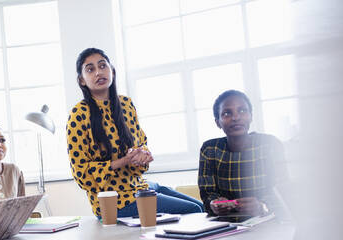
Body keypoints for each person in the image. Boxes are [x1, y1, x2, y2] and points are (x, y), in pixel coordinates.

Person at [67, 48, 203, 218]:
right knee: (194, 211)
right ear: (82, 80)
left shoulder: (126, 104)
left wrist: (142, 155)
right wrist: (122, 161)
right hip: (113, 200)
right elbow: (81, 173)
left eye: (103, 66)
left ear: (112, 71)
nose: (98, 72)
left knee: (201, 206)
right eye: (90, 69)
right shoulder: (78, 114)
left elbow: (140, 142)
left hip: (138, 185)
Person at [198, 89, 288, 216]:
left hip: (268, 221)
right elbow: (207, 194)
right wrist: (214, 204)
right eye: (227, 113)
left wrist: (262, 206)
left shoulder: (270, 144)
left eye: (242, 110)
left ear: (251, 116)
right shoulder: (209, 149)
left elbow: (283, 192)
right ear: (218, 122)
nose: (236, 118)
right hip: (226, 225)